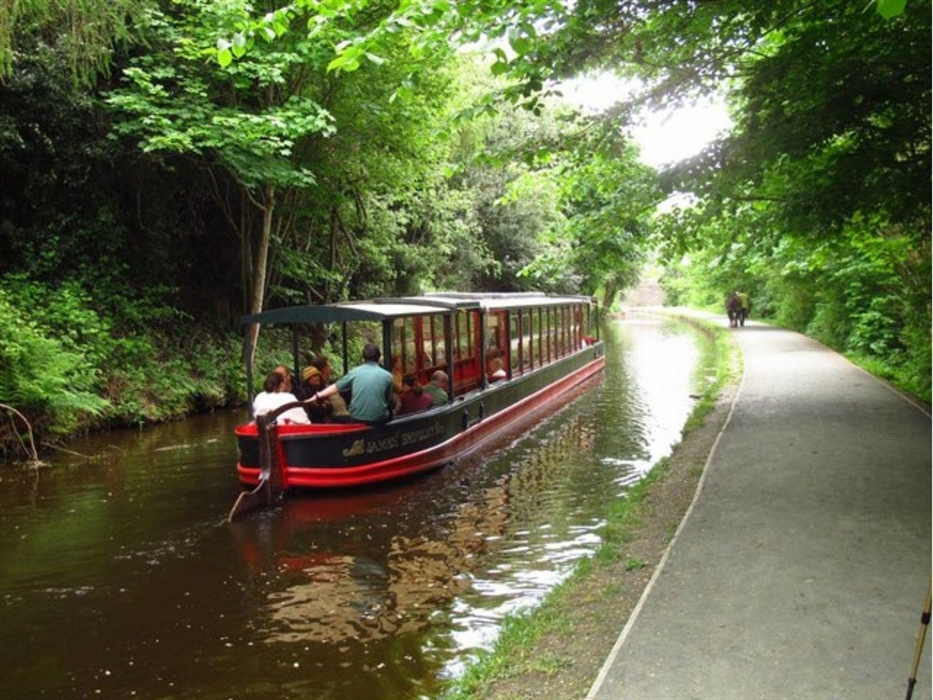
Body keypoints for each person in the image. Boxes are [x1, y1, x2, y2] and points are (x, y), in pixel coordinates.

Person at [309, 343, 394, 425]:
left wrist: (317, 396)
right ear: (378, 358)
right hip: (378, 419)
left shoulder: (354, 372)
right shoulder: (387, 376)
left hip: (357, 418)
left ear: (363, 358)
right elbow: (387, 400)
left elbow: (336, 387)